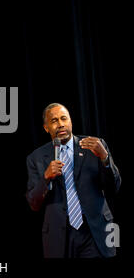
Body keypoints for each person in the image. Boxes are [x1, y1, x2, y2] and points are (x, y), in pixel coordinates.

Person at [26, 103, 121, 258]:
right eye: (54, 120)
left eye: (64, 118)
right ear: (46, 127)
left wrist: (105, 158)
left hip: (94, 232)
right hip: (59, 236)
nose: (61, 124)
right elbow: (34, 203)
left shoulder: (94, 146)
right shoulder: (36, 158)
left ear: (70, 121)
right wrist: (46, 178)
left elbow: (113, 188)